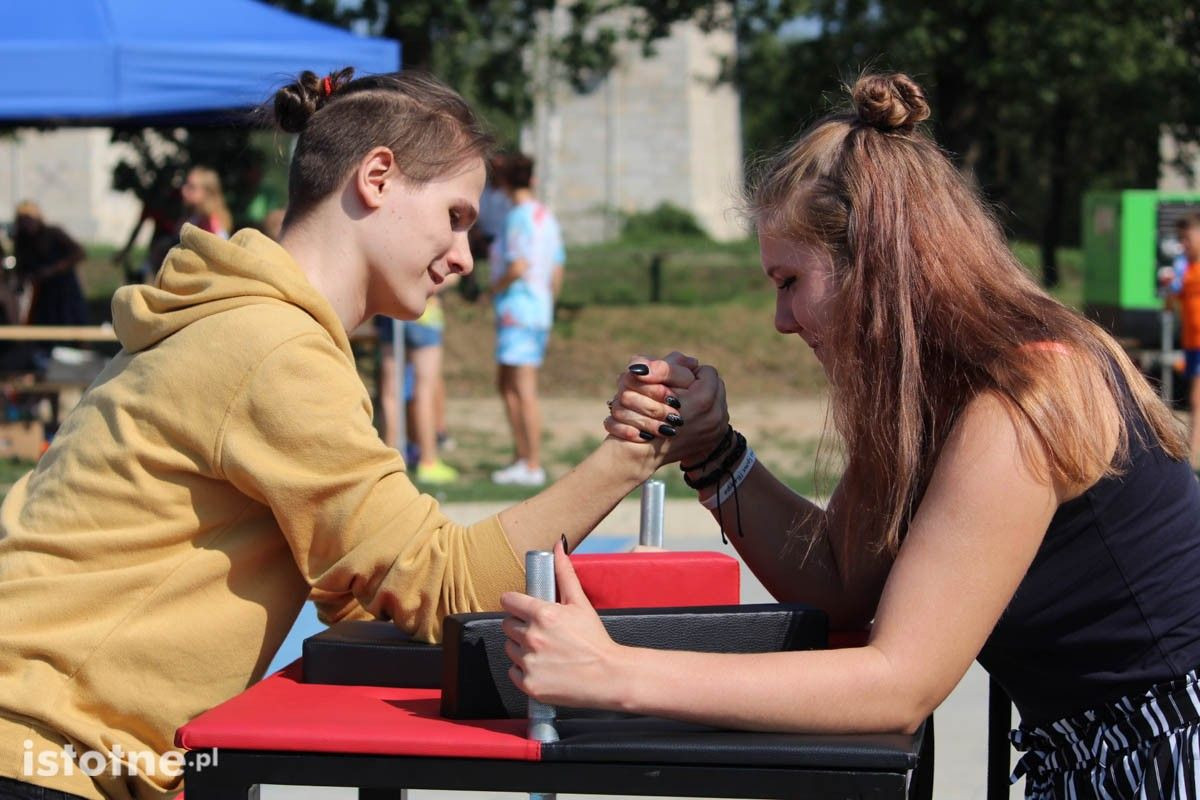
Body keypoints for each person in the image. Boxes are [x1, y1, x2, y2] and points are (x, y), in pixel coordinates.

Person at [501, 73, 1200, 799]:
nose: (781, 320)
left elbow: (898, 683)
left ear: (876, 266)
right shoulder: (935, 396)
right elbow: (838, 584)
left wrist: (615, 673)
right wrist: (711, 451)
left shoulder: (1024, 399)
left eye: (789, 282)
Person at [0, 68, 682, 800]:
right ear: (377, 177)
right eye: (454, 216)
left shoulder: (239, 322)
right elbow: (442, 585)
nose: (464, 255)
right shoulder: (273, 349)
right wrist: (636, 448)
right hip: (45, 753)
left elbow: (361, 592)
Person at [488, 154, 565, 487]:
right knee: (507, 385)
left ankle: (530, 462)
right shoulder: (546, 216)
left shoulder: (516, 217)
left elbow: (517, 266)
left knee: (521, 389)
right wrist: (548, 304)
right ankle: (522, 457)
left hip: (517, 311)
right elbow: (557, 267)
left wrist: (491, 289)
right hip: (538, 310)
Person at [12, 200, 88, 326]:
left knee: (69, 321)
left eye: (29, 219)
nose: (27, 223)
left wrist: (53, 269)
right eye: (23, 220)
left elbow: (79, 253)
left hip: (64, 288)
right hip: (41, 292)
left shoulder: (53, 233)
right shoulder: (22, 240)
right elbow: (21, 266)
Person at [1163, 213, 1200, 464]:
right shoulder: (1184, 268)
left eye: (1187, 238)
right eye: (1180, 239)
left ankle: (1191, 456)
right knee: (1194, 398)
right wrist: (1169, 287)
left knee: (1197, 398)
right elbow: (1170, 305)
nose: (1183, 244)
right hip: (1191, 342)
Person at [180, 165, 233, 239]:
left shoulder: (214, 227)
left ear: (207, 192)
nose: (184, 190)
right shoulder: (196, 216)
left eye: (192, 187)